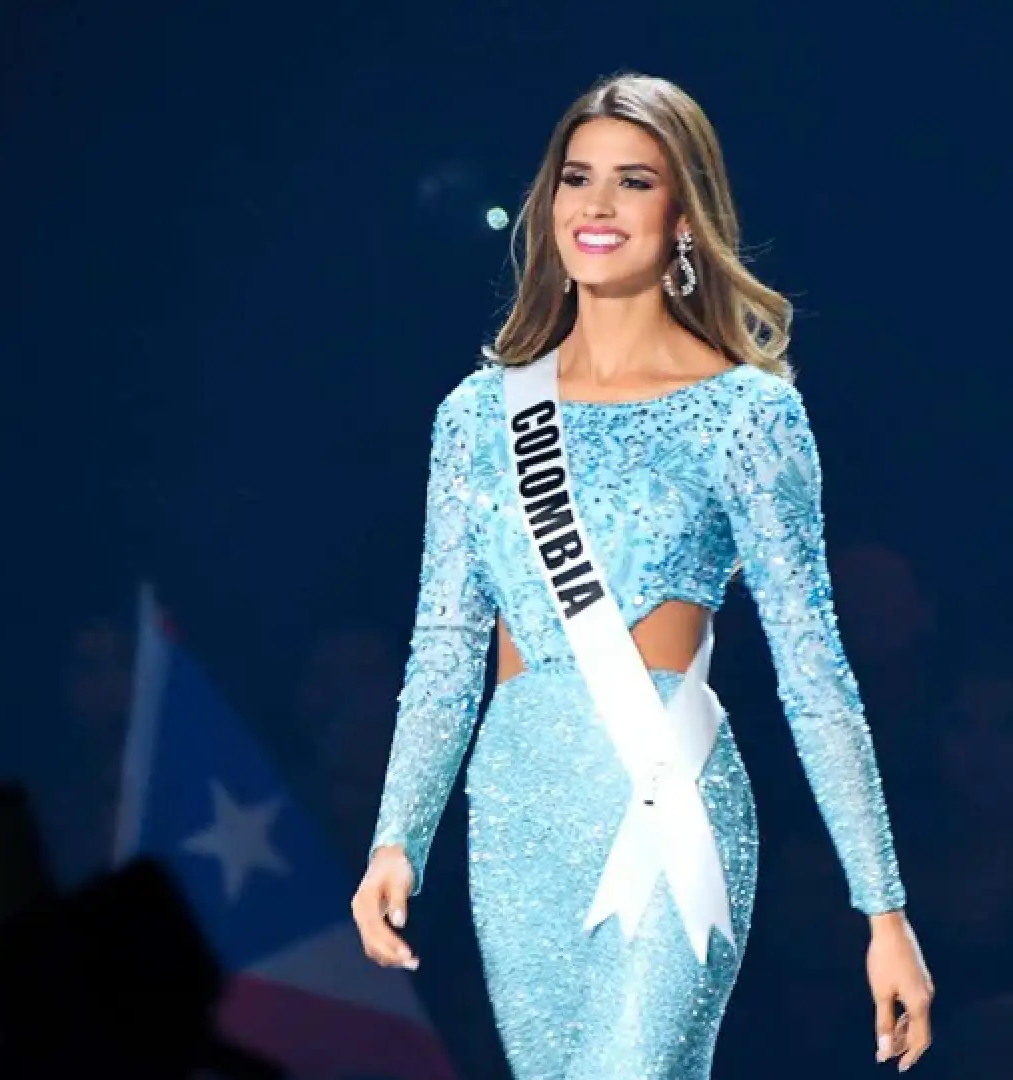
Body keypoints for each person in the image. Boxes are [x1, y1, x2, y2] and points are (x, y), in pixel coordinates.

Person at [348, 73, 933, 1077]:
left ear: (686, 215)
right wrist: (395, 836)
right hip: (519, 806)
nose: (599, 206)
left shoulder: (749, 413)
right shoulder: (477, 417)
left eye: (634, 181)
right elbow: (445, 648)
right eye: (578, 178)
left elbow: (813, 665)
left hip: (665, 795)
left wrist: (883, 907)